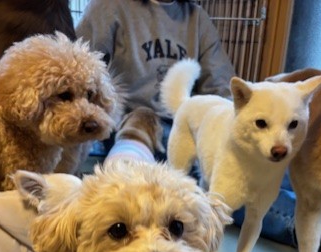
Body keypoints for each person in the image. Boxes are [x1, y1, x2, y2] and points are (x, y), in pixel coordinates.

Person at [75, 0, 236, 160]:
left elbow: (221, 88)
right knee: (141, 119)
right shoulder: (107, 7)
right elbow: (77, 70)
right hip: (128, 124)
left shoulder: (198, 18)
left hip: (183, 125)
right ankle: (126, 162)